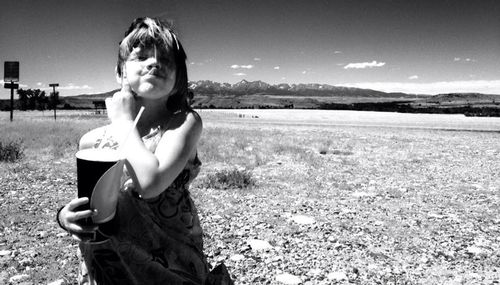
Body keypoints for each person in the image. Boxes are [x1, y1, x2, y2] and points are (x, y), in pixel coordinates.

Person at [56, 17, 232, 284]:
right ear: (120, 73)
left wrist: (124, 122)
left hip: (169, 262)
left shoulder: (183, 122)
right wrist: (65, 216)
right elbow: (87, 200)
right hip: (108, 261)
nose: (155, 63)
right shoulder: (93, 141)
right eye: (141, 57)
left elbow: (150, 183)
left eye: (167, 60)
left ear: (178, 78)